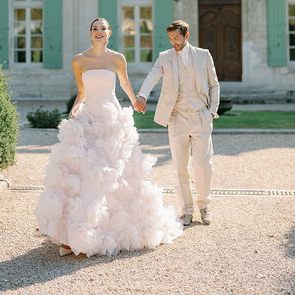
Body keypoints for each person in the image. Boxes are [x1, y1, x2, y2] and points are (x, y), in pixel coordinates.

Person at [34, 18, 182, 257]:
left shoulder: (117, 59)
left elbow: (124, 83)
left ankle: (105, 230)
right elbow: (82, 92)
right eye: (95, 28)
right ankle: (74, 234)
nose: (99, 32)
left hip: (112, 119)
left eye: (103, 28)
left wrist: (136, 101)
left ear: (109, 33)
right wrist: (73, 112)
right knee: (84, 171)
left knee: (114, 172)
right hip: (90, 117)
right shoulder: (79, 60)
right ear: (90, 33)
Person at [136, 20, 220, 226]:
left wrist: (211, 112)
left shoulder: (203, 55)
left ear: (186, 36)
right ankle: (187, 209)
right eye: (171, 39)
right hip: (177, 118)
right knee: (179, 167)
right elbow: (152, 76)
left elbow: (213, 84)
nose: (173, 42)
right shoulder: (164, 57)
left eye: (176, 38)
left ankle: (204, 205)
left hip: (201, 115)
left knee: (203, 165)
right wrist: (142, 96)